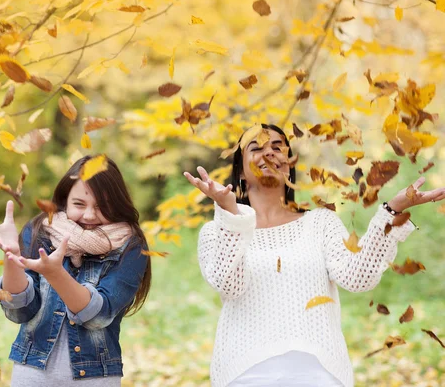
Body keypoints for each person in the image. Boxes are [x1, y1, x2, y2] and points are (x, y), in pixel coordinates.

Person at [184, 124, 445, 387]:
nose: (269, 153)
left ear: (289, 165)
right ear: (240, 169)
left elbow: (358, 277)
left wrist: (392, 211)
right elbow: (231, 285)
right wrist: (231, 215)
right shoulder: (218, 231)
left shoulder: (321, 223)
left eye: (277, 147)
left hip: (320, 374)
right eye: (257, 147)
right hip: (245, 374)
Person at [0, 155, 151, 386]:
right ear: (65, 199)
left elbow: (99, 315)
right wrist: (11, 256)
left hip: (96, 378)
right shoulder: (40, 231)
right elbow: (20, 311)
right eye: (79, 204)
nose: (88, 215)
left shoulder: (131, 245)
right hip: (33, 373)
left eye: (101, 206)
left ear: (116, 204)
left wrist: (56, 274)